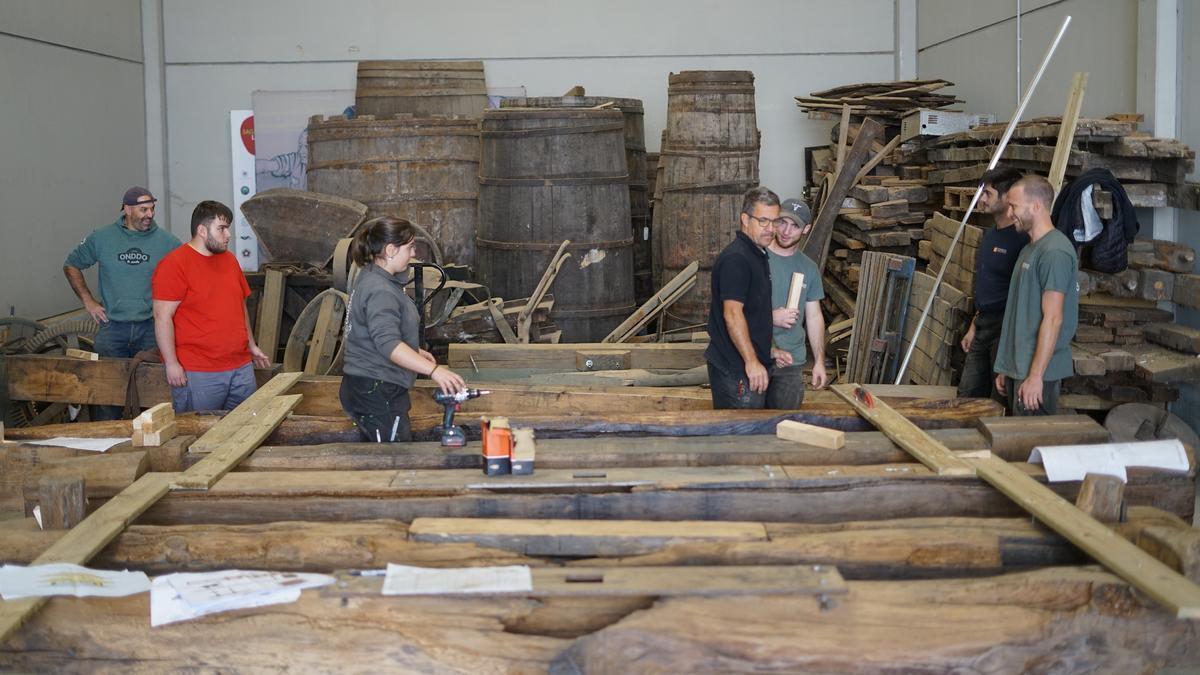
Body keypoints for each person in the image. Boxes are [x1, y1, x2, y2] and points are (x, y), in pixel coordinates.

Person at [339, 216, 467, 442]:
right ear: (390, 250)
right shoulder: (380, 290)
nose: (414, 253)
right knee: (394, 455)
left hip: (366, 385)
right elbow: (388, 344)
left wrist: (413, 351)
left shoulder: (371, 276)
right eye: (410, 247)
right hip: (376, 389)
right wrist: (435, 371)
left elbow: (372, 332)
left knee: (384, 451)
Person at [63, 187, 181, 419]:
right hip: (112, 328)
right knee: (107, 394)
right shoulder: (102, 238)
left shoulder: (167, 242)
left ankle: (149, 439)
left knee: (153, 394)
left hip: (151, 329)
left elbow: (188, 271)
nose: (150, 214)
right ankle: (107, 437)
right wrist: (88, 301)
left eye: (152, 209)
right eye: (143, 209)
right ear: (127, 209)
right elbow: (71, 264)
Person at [152, 201, 270, 412]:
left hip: (240, 367)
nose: (228, 235)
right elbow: (162, 317)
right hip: (199, 371)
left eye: (228, 228)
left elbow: (239, 307)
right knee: (200, 430)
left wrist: (251, 346)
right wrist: (171, 363)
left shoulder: (230, 261)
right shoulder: (174, 265)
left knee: (244, 426)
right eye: (222, 229)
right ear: (202, 231)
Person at [993, 175, 1079, 416]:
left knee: (1030, 438)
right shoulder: (1029, 249)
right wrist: (1007, 366)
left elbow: (1053, 318)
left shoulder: (1055, 252)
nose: (1009, 213)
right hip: (1020, 369)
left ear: (1036, 206)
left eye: (1014, 206)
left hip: (1037, 377)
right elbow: (1020, 314)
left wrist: (1035, 376)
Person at [705, 187, 782, 409]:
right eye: (763, 221)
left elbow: (753, 313)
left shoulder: (757, 253)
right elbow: (732, 314)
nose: (771, 229)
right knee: (740, 430)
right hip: (736, 370)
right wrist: (752, 362)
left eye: (775, 221)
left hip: (748, 364)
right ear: (745, 220)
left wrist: (767, 352)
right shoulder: (737, 259)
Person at [957, 167, 1030, 399]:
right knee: (967, 395)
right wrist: (973, 326)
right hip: (982, 326)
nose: (981, 199)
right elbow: (986, 286)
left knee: (998, 398)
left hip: (1004, 330)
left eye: (988, 193)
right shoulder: (990, 235)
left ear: (1007, 197)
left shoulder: (1022, 240)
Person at [766, 198, 827, 408]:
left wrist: (819, 361)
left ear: (806, 229)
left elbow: (814, 316)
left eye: (795, 226)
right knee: (748, 422)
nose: (786, 231)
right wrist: (770, 317)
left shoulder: (808, 268)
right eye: (782, 222)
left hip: (791, 362)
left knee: (785, 422)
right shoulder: (757, 258)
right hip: (755, 355)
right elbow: (735, 310)